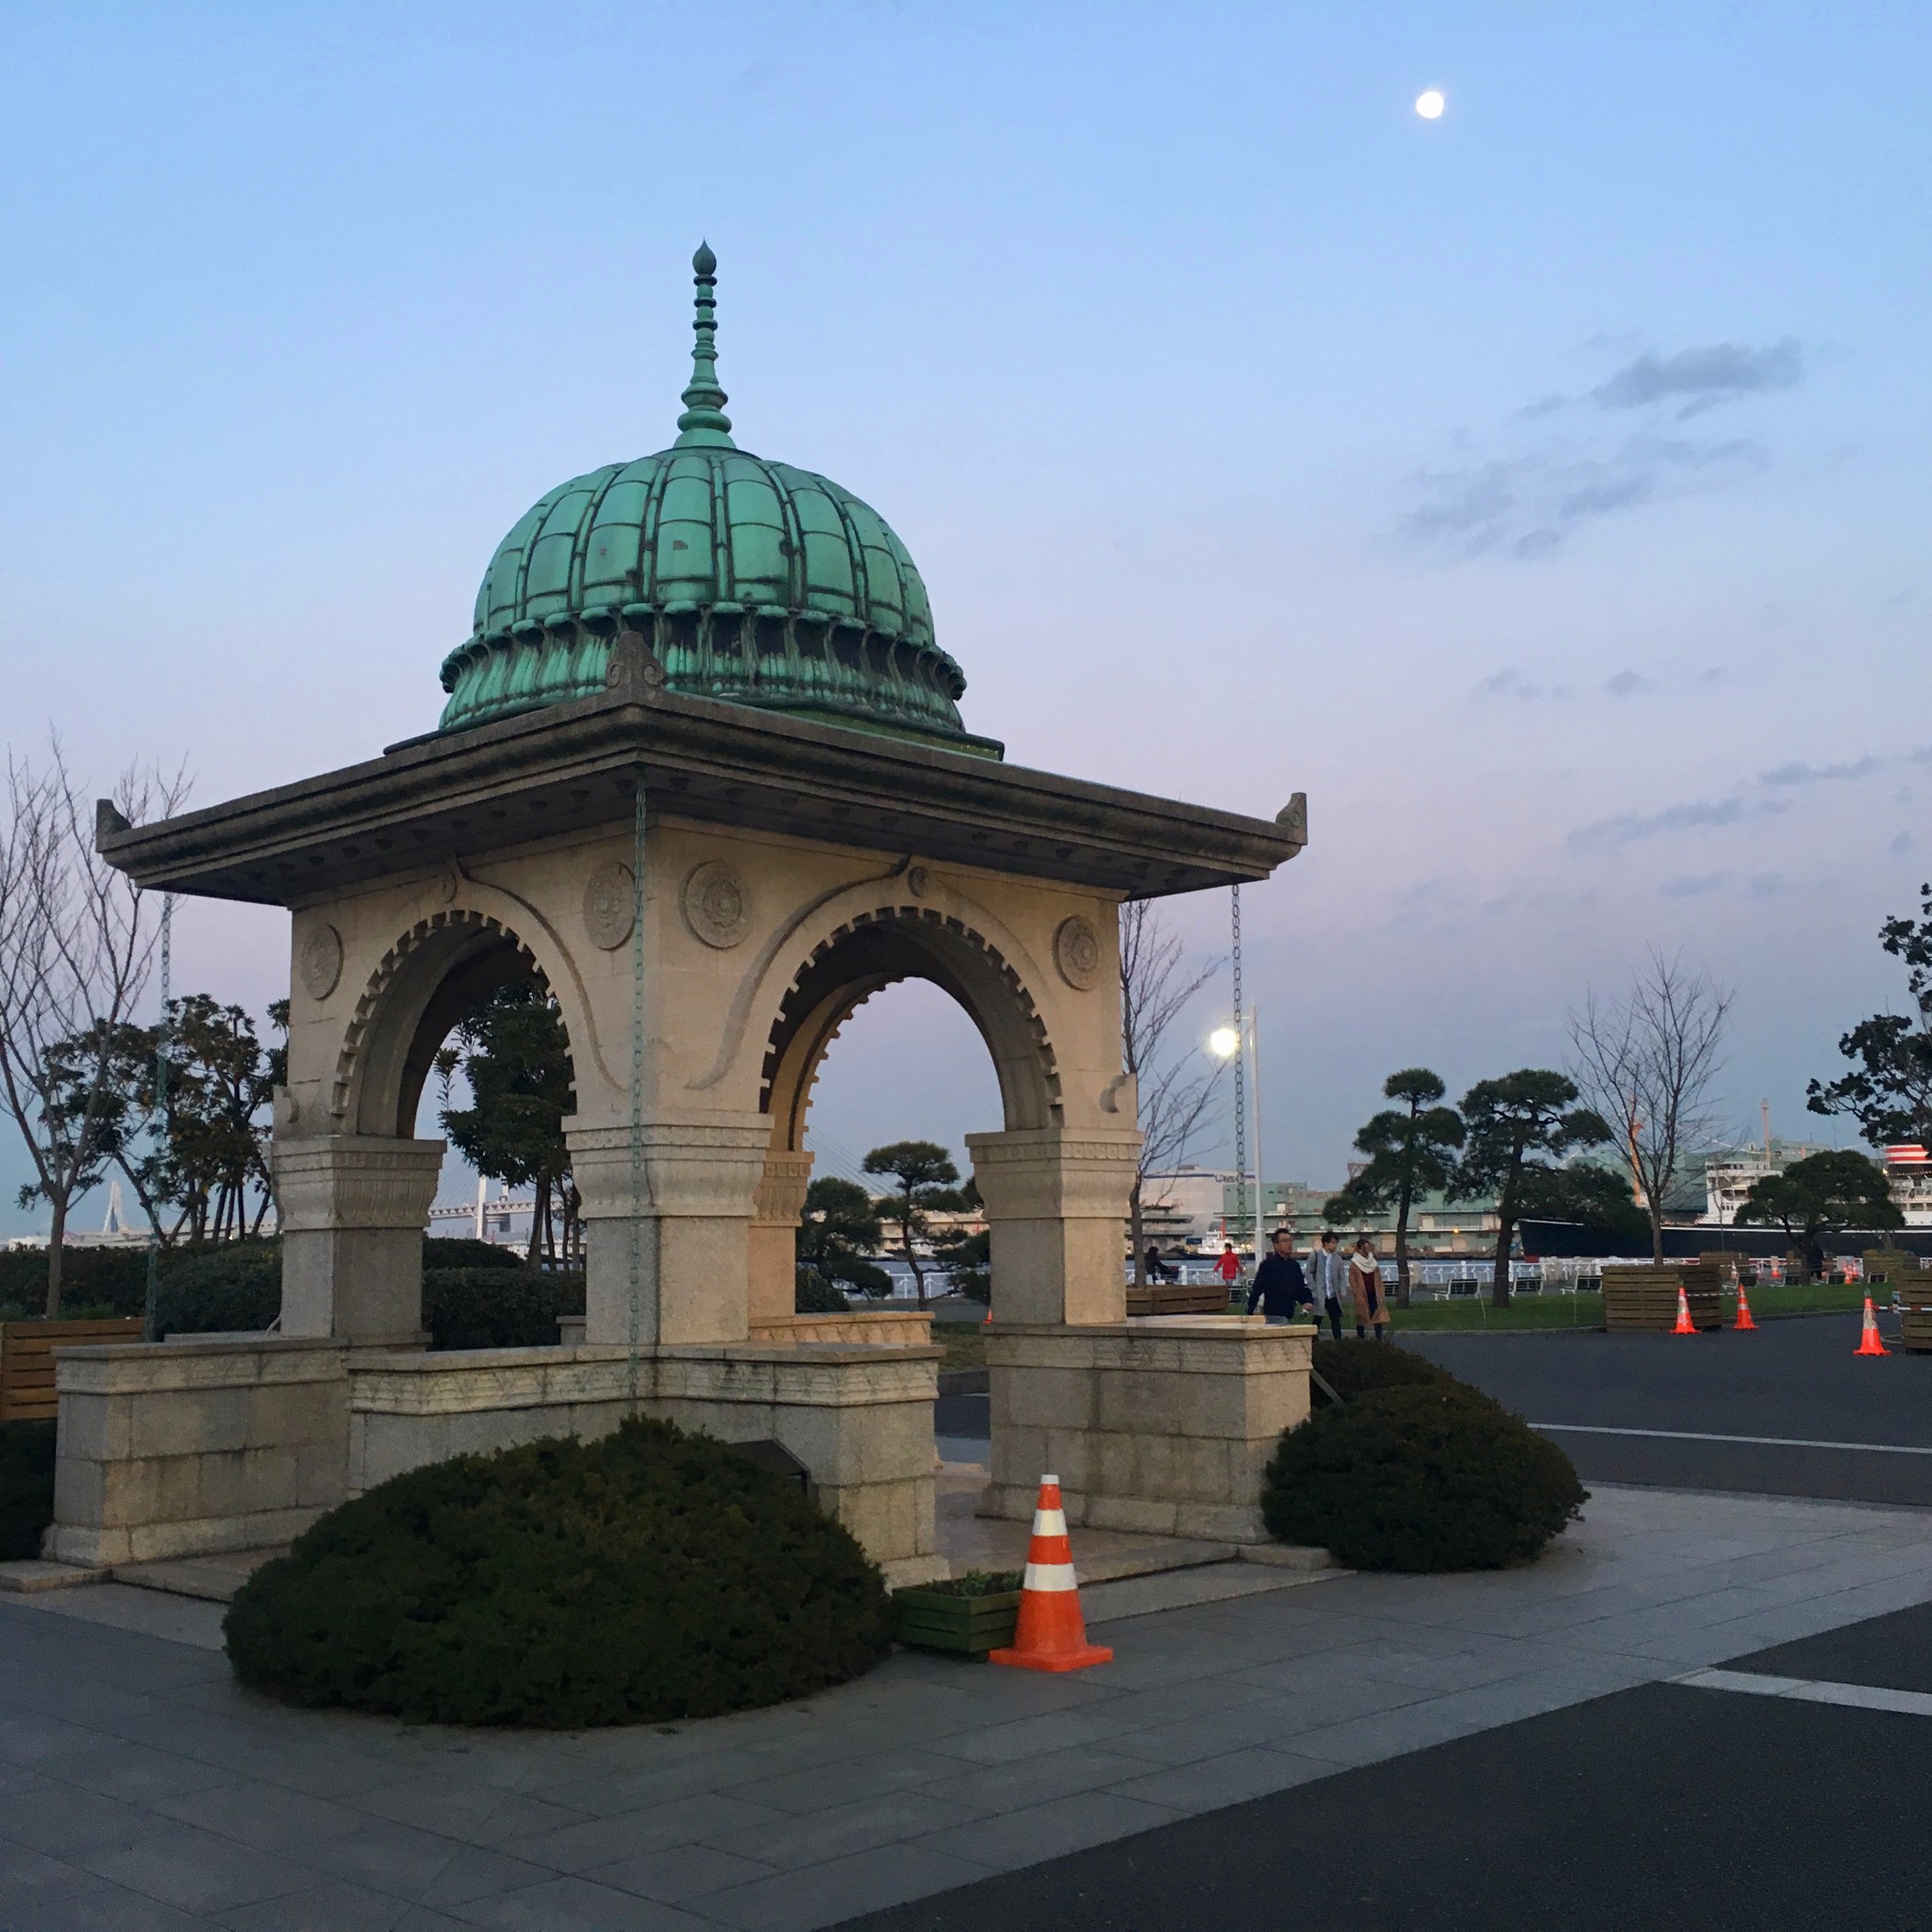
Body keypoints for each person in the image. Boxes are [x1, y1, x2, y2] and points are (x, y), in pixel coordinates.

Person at [1246, 1227, 1313, 1324]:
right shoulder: (1267, 1265)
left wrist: (1307, 1301)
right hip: (1272, 1314)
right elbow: (1257, 1289)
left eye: (1290, 1240)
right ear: (1276, 1245)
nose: (1289, 1244)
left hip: (1289, 1314)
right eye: (1284, 1241)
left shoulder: (1294, 1266)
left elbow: (1300, 1289)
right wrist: (1250, 1310)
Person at [1349, 1234, 1391, 1341]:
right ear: (1359, 1248)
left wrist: (1381, 1291)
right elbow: (1352, 1280)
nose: (1367, 1250)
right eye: (1365, 1248)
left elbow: (1379, 1278)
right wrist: (1357, 1293)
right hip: (1362, 1294)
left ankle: (1378, 1338)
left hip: (1374, 1292)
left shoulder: (1373, 1262)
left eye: (1368, 1247)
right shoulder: (1355, 1263)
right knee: (1361, 1316)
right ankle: (1361, 1338)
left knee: (1377, 1314)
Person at [1307, 1230, 1346, 1340]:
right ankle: (1313, 1339)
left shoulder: (1337, 1258)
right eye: (1332, 1242)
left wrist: (1342, 1290)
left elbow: (1341, 1275)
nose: (1334, 1245)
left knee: (1335, 1319)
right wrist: (1314, 1289)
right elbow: (1308, 1273)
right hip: (1320, 1293)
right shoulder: (1315, 1256)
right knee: (1318, 1317)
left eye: (1336, 1243)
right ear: (1325, 1243)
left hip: (1332, 1294)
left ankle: (1338, 1340)